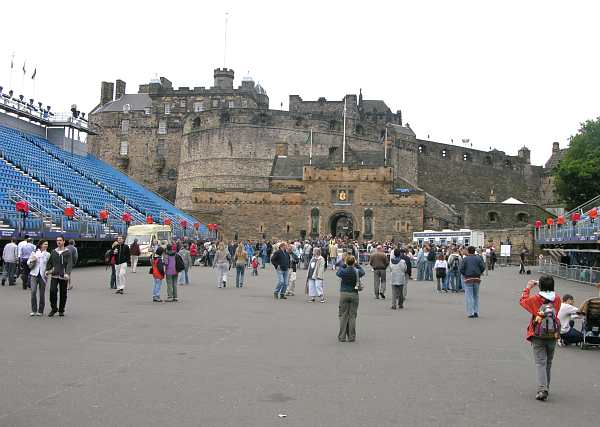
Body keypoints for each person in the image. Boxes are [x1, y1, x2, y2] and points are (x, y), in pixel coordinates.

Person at [519, 276, 561, 401]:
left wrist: (528, 287)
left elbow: (523, 301)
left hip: (537, 333)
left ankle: (542, 389)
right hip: (552, 334)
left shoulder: (536, 299)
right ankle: (546, 385)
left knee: (540, 362)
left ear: (540, 286)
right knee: (548, 362)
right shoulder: (557, 299)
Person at [336, 255, 365, 342]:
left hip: (344, 293)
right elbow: (363, 272)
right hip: (354, 293)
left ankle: (342, 336)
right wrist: (357, 264)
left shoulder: (343, 271)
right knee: (352, 316)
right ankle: (351, 336)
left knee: (343, 315)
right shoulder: (357, 271)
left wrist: (344, 264)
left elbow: (338, 272)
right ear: (353, 262)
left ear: (346, 262)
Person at [45, 236, 73, 317]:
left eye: (60, 240)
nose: (58, 242)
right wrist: (48, 270)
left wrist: (67, 273)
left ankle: (61, 310)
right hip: (54, 275)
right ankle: (54, 308)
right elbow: (49, 263)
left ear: (64, 241)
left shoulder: (68, 252)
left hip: (63, 276)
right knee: (52, 291)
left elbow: (69, 264)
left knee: (63, 293)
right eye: (57, 240)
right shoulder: (54, 252)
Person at [460, 246, 486, 318]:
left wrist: (465, 274)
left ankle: (470, 312)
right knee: (476, 295)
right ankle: (476, 311)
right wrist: (479, 273)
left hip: (468, 278)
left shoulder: (465, 259)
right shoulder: (478, 258)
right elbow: (483, 267)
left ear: (468, 251)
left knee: (469, 296)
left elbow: (461, 269)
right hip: (477, 278)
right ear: (474, 251)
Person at [28, 240, 50, 316]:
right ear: (41, 245)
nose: (46, 245)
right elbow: (28, 262)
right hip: (34, 274)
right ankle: (34, 310)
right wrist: (32, 260)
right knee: (33, 291)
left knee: (42, 293)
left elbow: (49, 265)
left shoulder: (48, 254)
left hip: (43, 276)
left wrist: (48, 271)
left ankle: (40, 310)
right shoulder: (34, 253)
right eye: (45, 244)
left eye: (47, 244)